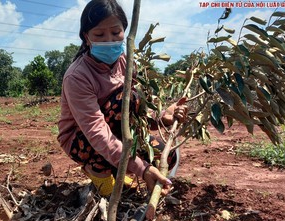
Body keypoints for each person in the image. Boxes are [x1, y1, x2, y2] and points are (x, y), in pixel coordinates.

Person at [57, 0, 188, 196]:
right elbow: (96, 132)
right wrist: (141, 168)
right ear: (87, 37)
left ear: (125, 32)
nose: (109, 40)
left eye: (116, 32)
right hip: (84, 140)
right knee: (121, 100)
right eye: (99, 35)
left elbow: (138, 109)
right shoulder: (77, 76)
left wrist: (161, 117)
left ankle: (119, 166)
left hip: (121, 133)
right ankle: (98, 171)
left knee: (167, 157)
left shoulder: (127, 64)